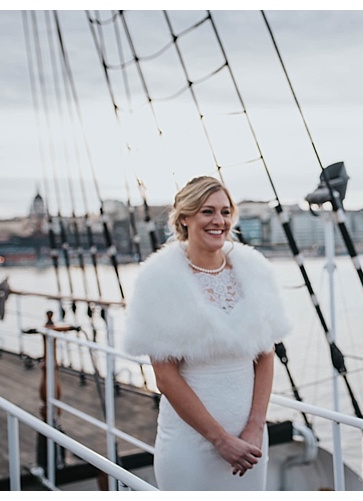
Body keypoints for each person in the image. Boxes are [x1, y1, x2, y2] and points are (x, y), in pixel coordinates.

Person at [123, 176, 293, 490]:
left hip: (250, 441)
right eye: (207, 211)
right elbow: (166, 376)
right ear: (184, 218)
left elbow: (266, 357)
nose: (219, 221)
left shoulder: (254, 272)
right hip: (190, 446)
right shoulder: (160, 280)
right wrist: (220, 440)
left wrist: (256, 427)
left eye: (225, 212)